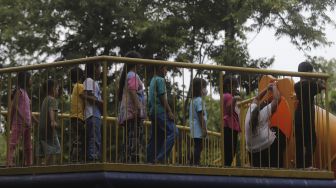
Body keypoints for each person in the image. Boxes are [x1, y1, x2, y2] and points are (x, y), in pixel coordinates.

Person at [294, 61, 325, 168]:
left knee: (299, 142)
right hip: (306, 117)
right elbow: (321, 86)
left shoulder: (297, 85)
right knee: (311, 141)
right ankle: (306, 165)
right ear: (308, 72)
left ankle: (299, 166)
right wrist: (320, 81)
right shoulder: (310, 85)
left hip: (298, 116)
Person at [245, 82, 284, 168]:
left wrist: (267, 88)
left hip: (251, 151)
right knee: (278, 132)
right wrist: (274, 86)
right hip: (266, 147)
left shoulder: (250, 110)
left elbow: (256, 98)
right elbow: (277, 99)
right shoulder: (264, 112)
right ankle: (278, 167)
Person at [118, 51, 146, 163]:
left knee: (130, 136)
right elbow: (133, 91)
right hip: (133, 112)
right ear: (135, 63)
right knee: (135, 136)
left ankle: (126, 159)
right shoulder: (133, 75)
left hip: (128, 112)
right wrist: (139, 108)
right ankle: (132, 160)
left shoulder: (127, 75)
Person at [146, 62, 178, 164]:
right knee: (174, 132)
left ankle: (150, 161)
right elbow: (162, 98)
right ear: (160, 68)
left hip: (153, 112)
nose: (166, 71)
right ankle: (160, 158)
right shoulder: (160, 80)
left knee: (157, 137)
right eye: (165, 69)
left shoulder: (152, 80)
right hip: (160, 111)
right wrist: (169, 111)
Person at [7, 72, 38, 166]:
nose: (31, 81)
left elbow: (29, 111)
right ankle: (9, 162)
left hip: (27, 124)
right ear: (25, 80)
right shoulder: (19, 91)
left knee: (28, 146)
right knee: (13, 143)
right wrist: (22, 118)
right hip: (19, 122)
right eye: (30, 79)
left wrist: (35, 120)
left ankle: (29, 163)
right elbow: (15, 106)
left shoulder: (26, 94)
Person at [81, 62, 103, 162]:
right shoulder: (89, 81)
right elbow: (86, 95)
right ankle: (92, 158)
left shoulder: (94, 82)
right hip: (92, 114)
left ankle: (95, 157)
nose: (101, 70)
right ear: (94, 68)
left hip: (96, 114)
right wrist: (100, 102)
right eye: (99, 67)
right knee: (94, 138)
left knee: (96, 137)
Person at [37, 79, 60, 165]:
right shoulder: (53, 99)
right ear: (53, 89)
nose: (58, 91)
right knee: (55, 147)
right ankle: (47, 164)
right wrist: (53, 121)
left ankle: (42, 164)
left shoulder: (45, 100)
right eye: (57, 89)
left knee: (45, 147)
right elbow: (51, 109)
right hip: (49, 128)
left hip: (42, 128)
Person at [222, 75, 241, 166]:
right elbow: (229, 111)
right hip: (230, 126)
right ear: (228, 86)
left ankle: (227, 166)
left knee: (229, 150)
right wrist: (234, 99)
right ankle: (227, 168)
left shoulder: (225, 96)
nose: (236, 89)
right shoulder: (229, 96)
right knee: (230, 150)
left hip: (229, 126)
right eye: (235, 86)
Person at [189, 78, 208, 165]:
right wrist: (204, 129)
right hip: (198, 128)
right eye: (204, 87)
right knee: (199, 146)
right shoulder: (199, 101)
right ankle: (195, 163)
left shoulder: (193, 100)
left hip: (194, 128)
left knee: (198, 146)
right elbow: (201, 116)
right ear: (199, 88)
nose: (205, 90)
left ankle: (193, 162)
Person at [69, 67, 85, 163]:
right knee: (79, 140)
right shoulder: (80, 86)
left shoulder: (75, 86)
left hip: (74, 117)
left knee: (75, 140)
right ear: (82, 76)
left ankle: (73, 159)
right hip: (79, 117)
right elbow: (85, 97)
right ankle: (76, 160)